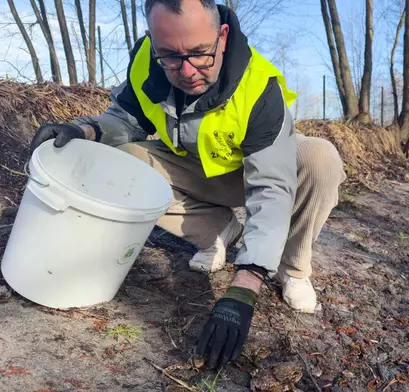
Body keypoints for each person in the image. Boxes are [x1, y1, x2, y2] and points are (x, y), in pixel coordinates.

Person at [29, 0, 346, 370]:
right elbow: (127, 119)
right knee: (128, 158)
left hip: (251, 171)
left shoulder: (258, 86)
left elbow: (271, 188)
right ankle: (218, 229)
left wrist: (246, 285)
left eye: (199, 54)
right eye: (171, 56)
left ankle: (292, 269)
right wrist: (85, 129)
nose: (188, 70)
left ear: (222, 36)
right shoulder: (148, 63)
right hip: (195, 167)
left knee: (321, 158)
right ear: (153, 41)